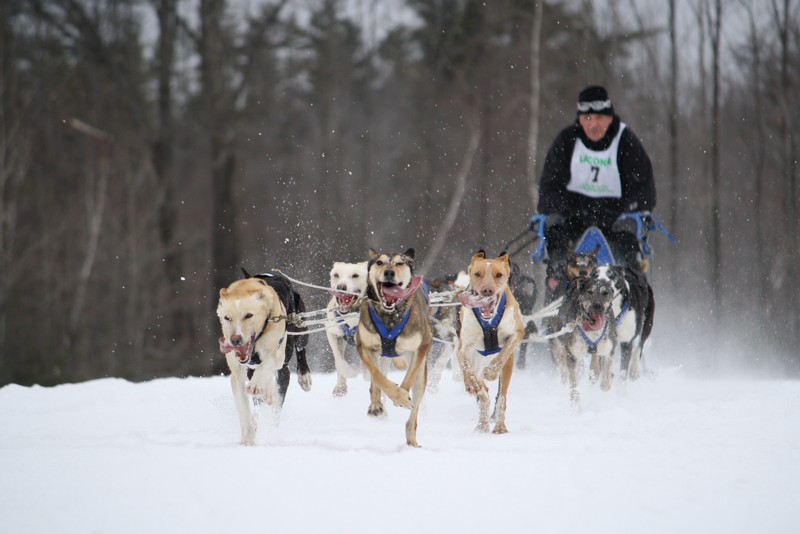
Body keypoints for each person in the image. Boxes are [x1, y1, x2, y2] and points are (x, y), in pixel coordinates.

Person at [537, 85, 656, 269]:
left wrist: (626, 212)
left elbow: (644, 190)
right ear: (580, 119)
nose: (593, 125)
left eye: (599, 118)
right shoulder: (567, 141)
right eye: (587, 118)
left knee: (630, 232)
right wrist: (563, 211)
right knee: (554, 229)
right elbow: (549, 188)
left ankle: (629, 285)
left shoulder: (626, 141)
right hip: (573, 219)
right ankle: (558, 281)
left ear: (609, 118)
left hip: (616, 221)